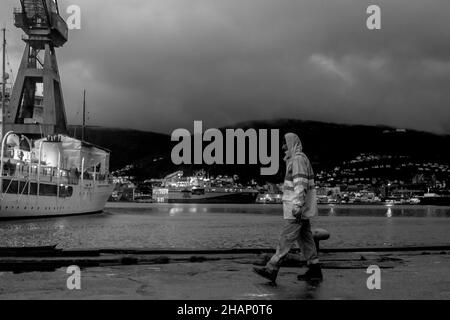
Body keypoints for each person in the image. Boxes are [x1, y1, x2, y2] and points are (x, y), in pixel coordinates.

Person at [253, 133, 323, 283]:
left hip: (295, 209)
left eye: (285, 143)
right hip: (299, 208)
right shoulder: (299, 158)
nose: (283, 147)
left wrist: (297, 205)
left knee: (286, 238)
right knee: (306, 239)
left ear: (292, 144)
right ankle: (314, 269)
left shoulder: (297, 159)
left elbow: (300, 183)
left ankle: (271, 268)